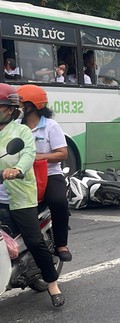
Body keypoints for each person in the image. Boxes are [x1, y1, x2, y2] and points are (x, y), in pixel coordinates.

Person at [0, 83, 64, 307]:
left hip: (19, 195)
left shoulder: (21, 131)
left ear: (9, 109)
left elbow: (28, 154)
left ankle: (52, 283)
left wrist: (16, 170)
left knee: (34, 241)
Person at [17, 84, 72, 262]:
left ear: (30, 106)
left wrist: (37, 157)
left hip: (49, 174)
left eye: (20, 105)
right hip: (22, 175)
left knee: (58, 201)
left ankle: (61, 244)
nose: (17, 109)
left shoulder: (50, 126)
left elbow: (62, 153)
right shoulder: (16, 127)